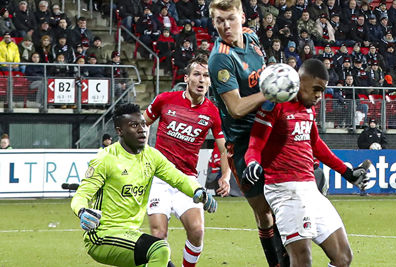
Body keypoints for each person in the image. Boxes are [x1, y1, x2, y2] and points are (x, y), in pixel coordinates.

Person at [243, 59, 370, 267]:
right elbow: (256, 142)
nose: (319, 96)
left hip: (310, 190)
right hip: (284, 190)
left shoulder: (308, 109)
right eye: (316, 89)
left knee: (343, 257)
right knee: (302, 261)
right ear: (300, 81)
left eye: (322, 91)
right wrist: (252, 163)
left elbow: (316, 145)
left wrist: (347, 172)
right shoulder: (275, 104)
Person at [71, 103, 217, 267]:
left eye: (143, 124)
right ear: (120, 131)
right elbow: (81, 196)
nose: (142, 129)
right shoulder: (105, 159)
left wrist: (198, 190)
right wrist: (82, 211)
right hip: (102, 236)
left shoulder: (152, 156)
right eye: (134, 125)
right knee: (159, 249)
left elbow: (179, 178)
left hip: (130, 235)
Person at [208, 0, 288, 266]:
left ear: (242, 17)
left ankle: (292, 258)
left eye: (230, 18)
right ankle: (276, 262)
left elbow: (262, 75)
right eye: (219, 21)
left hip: (268, 130)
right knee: (264, 212)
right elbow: (236, 108)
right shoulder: (220, 57)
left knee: (285, 203)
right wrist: (269, 91)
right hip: (242, 143)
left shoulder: (253, 38)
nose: (225, 26)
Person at [144, 55, 231, 267]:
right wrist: (143, 149)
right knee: (158, 233)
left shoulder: (212, 112)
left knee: (197, 231)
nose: (201, 80)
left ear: (210, 81)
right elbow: (142, 123)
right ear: (187, 78)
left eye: (206, 76)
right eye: (197, 74)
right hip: (159, 178)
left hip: (187, 180)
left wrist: (226, 176)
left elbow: (224, 147)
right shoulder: (165, 99)